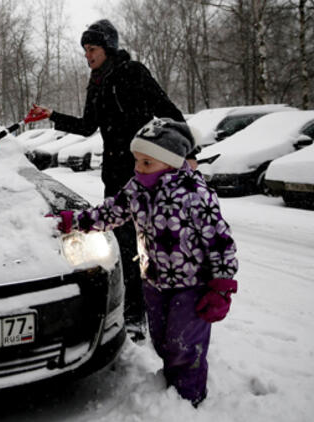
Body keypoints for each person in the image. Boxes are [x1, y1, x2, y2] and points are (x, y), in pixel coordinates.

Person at [54, 117, 238, 406]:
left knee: (185, 345)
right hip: (154, 281)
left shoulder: (195, 195)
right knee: (163, 340)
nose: (139, 168)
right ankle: (171, 383)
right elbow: (110, 212)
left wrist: (222, 286)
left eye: (147, 162)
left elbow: (220, 241)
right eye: (137, 160)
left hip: (192, 287)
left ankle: (188, 399)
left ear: (171, 162)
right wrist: (75, 222)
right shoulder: (137, 189)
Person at [29, 19, 192, 340]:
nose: (87, 55)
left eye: (92, 49)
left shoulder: (133, 72)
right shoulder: (97, 82)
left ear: (108, 48)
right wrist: (52, 116)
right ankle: (133, 314)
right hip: (115, 175)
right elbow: (88, 126)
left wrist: (190, 150)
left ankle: (155, 312)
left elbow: (168, 109)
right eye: (85, 50)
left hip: (146, 171)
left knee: (153, 243)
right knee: (125, 244)